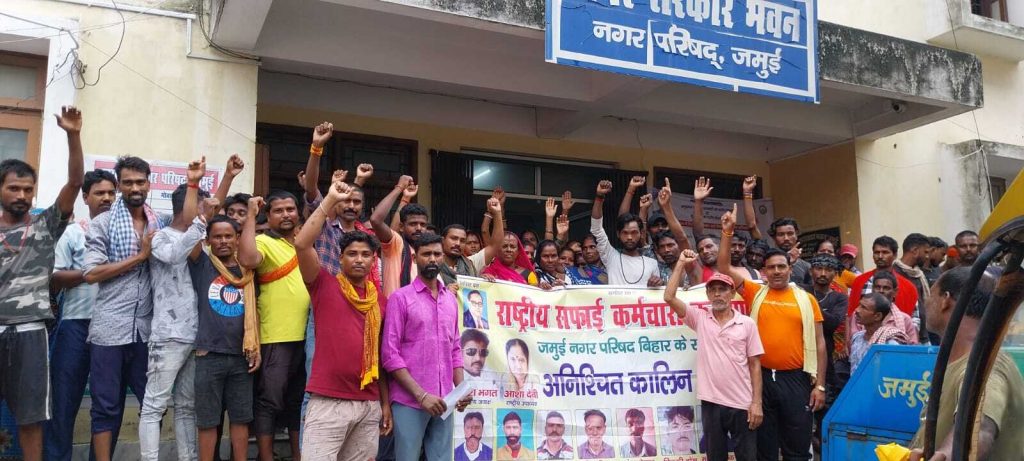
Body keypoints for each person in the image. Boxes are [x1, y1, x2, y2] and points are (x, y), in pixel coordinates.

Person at [0, 106, 83, 461]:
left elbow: (75, 183)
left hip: (30, 333)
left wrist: (73, 135)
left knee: (31, 419)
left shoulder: (45, 227)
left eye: (27, 189)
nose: (21, 195)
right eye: (13, 188)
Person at [718, 205, 826, 461]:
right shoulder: (755, 292)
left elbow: (820, 343)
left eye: (781, 266)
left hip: (797, 380)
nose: (776, 271)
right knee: (765, 447)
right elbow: (723, 266)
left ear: (790, 268)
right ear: (764, 272)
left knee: (797, 447)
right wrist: (727, 232)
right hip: (762, 379)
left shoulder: (807, 299)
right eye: (771, 268)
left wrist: (820, 386)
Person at [294, 180, 393, 460]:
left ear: (374, 261)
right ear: (340, 259)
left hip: (368, 404)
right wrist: (329, 200)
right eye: (352, 254)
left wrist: (384, 403)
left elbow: (379, 357)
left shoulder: (380, 301)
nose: (359, 259)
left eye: (365, 255)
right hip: (328, 401)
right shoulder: (323, 284)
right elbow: (302, 243)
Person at [83, 154, 164, 461]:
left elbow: (191, 221)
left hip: (147, 330)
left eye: (140, 182)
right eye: (128, 182)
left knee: (153, 404)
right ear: (119, 186)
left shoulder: (159, 222)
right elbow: (92, 273)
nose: (135, 188)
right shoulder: (102, 223)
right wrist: (139, 257)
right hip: (109, 329)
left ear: (149, 184)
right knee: (105, 406)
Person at [909, 267, 1024, 461]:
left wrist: (947, 455)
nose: (925, 304)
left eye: (930, 295)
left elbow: (981, 429)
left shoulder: (986, 367)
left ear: (945, 300)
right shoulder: (965, 361)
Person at [139, 159, 211, 461]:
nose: (207, 214)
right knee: (154, 405)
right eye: (203, 208)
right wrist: (199, 225)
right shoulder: (158, 237)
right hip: (167, 335)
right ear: (189, 208)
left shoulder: (199, 240)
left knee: (186, 406)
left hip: (195, 335)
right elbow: (173, 255)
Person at [382, 233, 472, 460]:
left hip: (444, 401)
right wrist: (421, 396)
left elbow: (455, 348)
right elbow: (390, 355)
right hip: (409, 400)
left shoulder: (450, 299)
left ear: (443, 257)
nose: (432, 259)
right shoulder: (400, 299)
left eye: (437, 254)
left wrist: (461, 390)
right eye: (426, 254)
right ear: (415, 259)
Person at [45, 168, 115, 461]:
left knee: (107, 405)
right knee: (62, 403)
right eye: (99, 193)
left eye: (111, 193)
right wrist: (91, 273)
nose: (107, 198)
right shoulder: (73, 232)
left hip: (113, 329)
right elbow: (55, 276)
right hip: (75, 326)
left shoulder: (124, 233)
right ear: (85, 197)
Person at [238, 191, 310, 461]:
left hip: (308, 335)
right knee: (269, 400)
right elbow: (247, 259)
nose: (286, 215)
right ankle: (266, 457)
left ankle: (298, 456)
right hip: (276, 335)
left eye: (290, 209)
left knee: (297, 401)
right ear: (268, 216)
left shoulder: (304, 243)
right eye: (278, 211)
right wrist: (250, 215)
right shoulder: (263, 241)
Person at [665, 262, 763, 461]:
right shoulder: (700, 319)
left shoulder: (747, 323)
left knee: (748, 457)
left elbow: (755, 365)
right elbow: (669, 297)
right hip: (712, 403)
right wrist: (681, 263)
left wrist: (756, 403)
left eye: (723, 289)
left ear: (732, 293)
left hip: (742, 403)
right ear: (708, 295)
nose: (718, 294)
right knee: (715, 457)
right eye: (713, 290)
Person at [188, 214, 259, 461]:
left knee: (241, 418)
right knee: (207, 420)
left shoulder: (249, 270)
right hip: (209, 355)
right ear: (207, 240)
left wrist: (256, 350)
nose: (223, 241)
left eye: (229, 236)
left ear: (238, 239)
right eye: (217, 237)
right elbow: (190, 223)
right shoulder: (202, 264)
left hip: (242, 356)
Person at [800, 254, 849, 446]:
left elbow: (832, 324)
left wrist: (808, 307)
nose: (822, 273)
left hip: (825, 363)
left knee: (824, 409)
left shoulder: (839, 297)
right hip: (800, 359)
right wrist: (823, 313)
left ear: (835, 274)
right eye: (818, 268)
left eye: (828, 270)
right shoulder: (801, 290)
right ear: (811, 270)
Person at [846, 236, 920, 344]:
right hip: (863, 343)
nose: (880, 256)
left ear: (895, 255)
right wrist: (848, 342)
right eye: (877, 252)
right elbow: (850, 315)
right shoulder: (859, 282)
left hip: (899, 344)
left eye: (885, 252)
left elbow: (915, 322)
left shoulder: (909, 287)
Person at [590, 180, 658, 286]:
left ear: (641, 233)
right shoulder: (611, 257)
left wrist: (658, 284)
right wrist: (599, 197)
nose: (629, 237)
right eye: (625, 233)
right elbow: (597, 229)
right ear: (618, 234)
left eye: (634, 232)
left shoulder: (652, 263)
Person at [370, 175, 428, 297]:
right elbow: (376, 220)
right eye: (413, 224)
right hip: (396, 308)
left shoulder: (429, 253)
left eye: (422, 224)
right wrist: (400, 188)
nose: (419, 228)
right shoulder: (396, 246)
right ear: (402, 227)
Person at [439, 196, 503, 286]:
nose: (458, 243)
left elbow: (495, 245)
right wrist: (445, 291)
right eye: (454, 238)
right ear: (443, 240)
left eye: (462, 241)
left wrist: (497, 213)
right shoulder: (432, 264)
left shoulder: (471, 263)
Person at [849, 293, 908, 374]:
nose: (857, 310)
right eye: (859, 305)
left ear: (877, 316)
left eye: (863, 307)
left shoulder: (889, 343)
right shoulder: (857, 337)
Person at [894, 233, 931, 344]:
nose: (927, 257)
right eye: (926, 252)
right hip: (904, 337)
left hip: (923, 335)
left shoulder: (919, 274)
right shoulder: (893, 275)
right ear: (915, 251)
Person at [767, 217, 811, 284]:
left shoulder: (806, 267)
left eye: (790, 234)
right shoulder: (766, 262)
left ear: (796, 235)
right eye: (781, 234)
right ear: (774, 237)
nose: (786, 238)